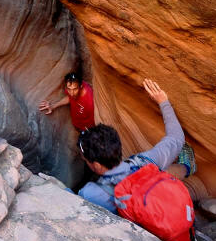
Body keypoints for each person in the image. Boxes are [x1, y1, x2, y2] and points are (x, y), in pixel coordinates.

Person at [77, 79, 193, 213]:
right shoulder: (144, 161)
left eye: (86, 160)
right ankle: (187, 167)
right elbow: (177, 138)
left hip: (139, 231)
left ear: (96, 165)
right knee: (164, 170)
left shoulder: (90, 193)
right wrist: (163, 102)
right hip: (164, 212)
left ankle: (186, 167)